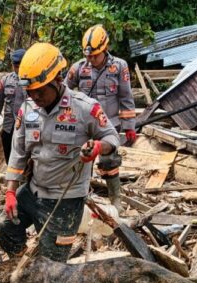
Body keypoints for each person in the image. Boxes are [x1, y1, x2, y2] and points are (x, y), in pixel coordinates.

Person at [0, 42, 120, 263]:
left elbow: (111, 137)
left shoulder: (85, 108)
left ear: (58, 79)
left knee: (52, 263)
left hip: (65, 200)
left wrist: (99, 147)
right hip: (33, 192)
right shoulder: (28, 110)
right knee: (4, 227)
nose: (35, 97)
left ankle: (40, 277)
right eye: (30, 92)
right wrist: (11, 192)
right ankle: (25, 266)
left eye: (40, 91)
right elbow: (18, 152)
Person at [66, 25, 136, 211]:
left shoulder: (119, 67)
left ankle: (115, 198)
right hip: (84, 125)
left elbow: (126, 96)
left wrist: (129, 125)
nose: (90, 59)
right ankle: (81, 200)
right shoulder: (78, 68)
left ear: (104, 49)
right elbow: (63, 92)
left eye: (94, 56)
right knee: (82, 161)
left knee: (109, 162)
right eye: (88, 55)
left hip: (109, 124)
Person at [0, 48, 27, 163]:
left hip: (26, 126)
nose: (17, 68)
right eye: (15, 65)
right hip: (9, 125)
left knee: (24, 156)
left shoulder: (32, 81)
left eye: (20, 65)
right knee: (8, 155)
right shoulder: (6, 80)